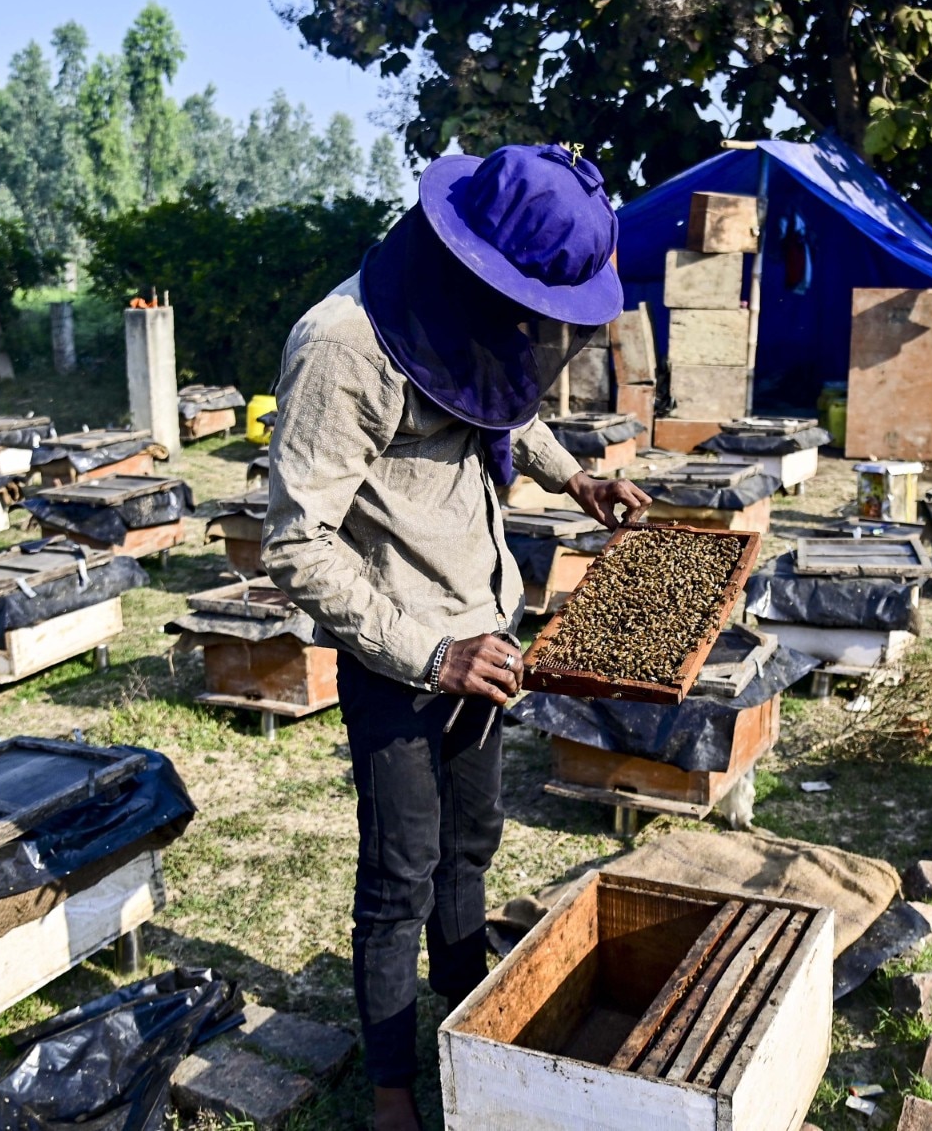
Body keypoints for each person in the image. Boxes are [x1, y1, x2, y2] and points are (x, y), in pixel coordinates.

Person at [263, 142, 652, 1129]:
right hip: (402, 661)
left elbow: (501, 398)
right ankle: (394, 1086)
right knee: (402, 870)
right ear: (479, 264)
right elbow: (295, 545)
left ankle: (467, 1014)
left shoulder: (478, 312)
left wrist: (577, 478)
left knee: (473, 841)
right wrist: (430, 653)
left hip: (487, 641)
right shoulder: (342, 344)